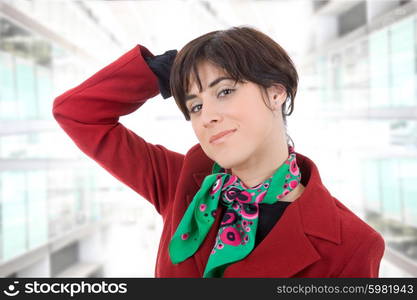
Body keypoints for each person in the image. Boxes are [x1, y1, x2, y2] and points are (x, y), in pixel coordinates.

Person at [52, 26, 385, 278]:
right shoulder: (181, 182)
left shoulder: (352, 244)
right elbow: (77, 113)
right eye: (195, 105)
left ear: (275, 92)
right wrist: (159, 72)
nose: (207, 115)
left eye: (224, 91)